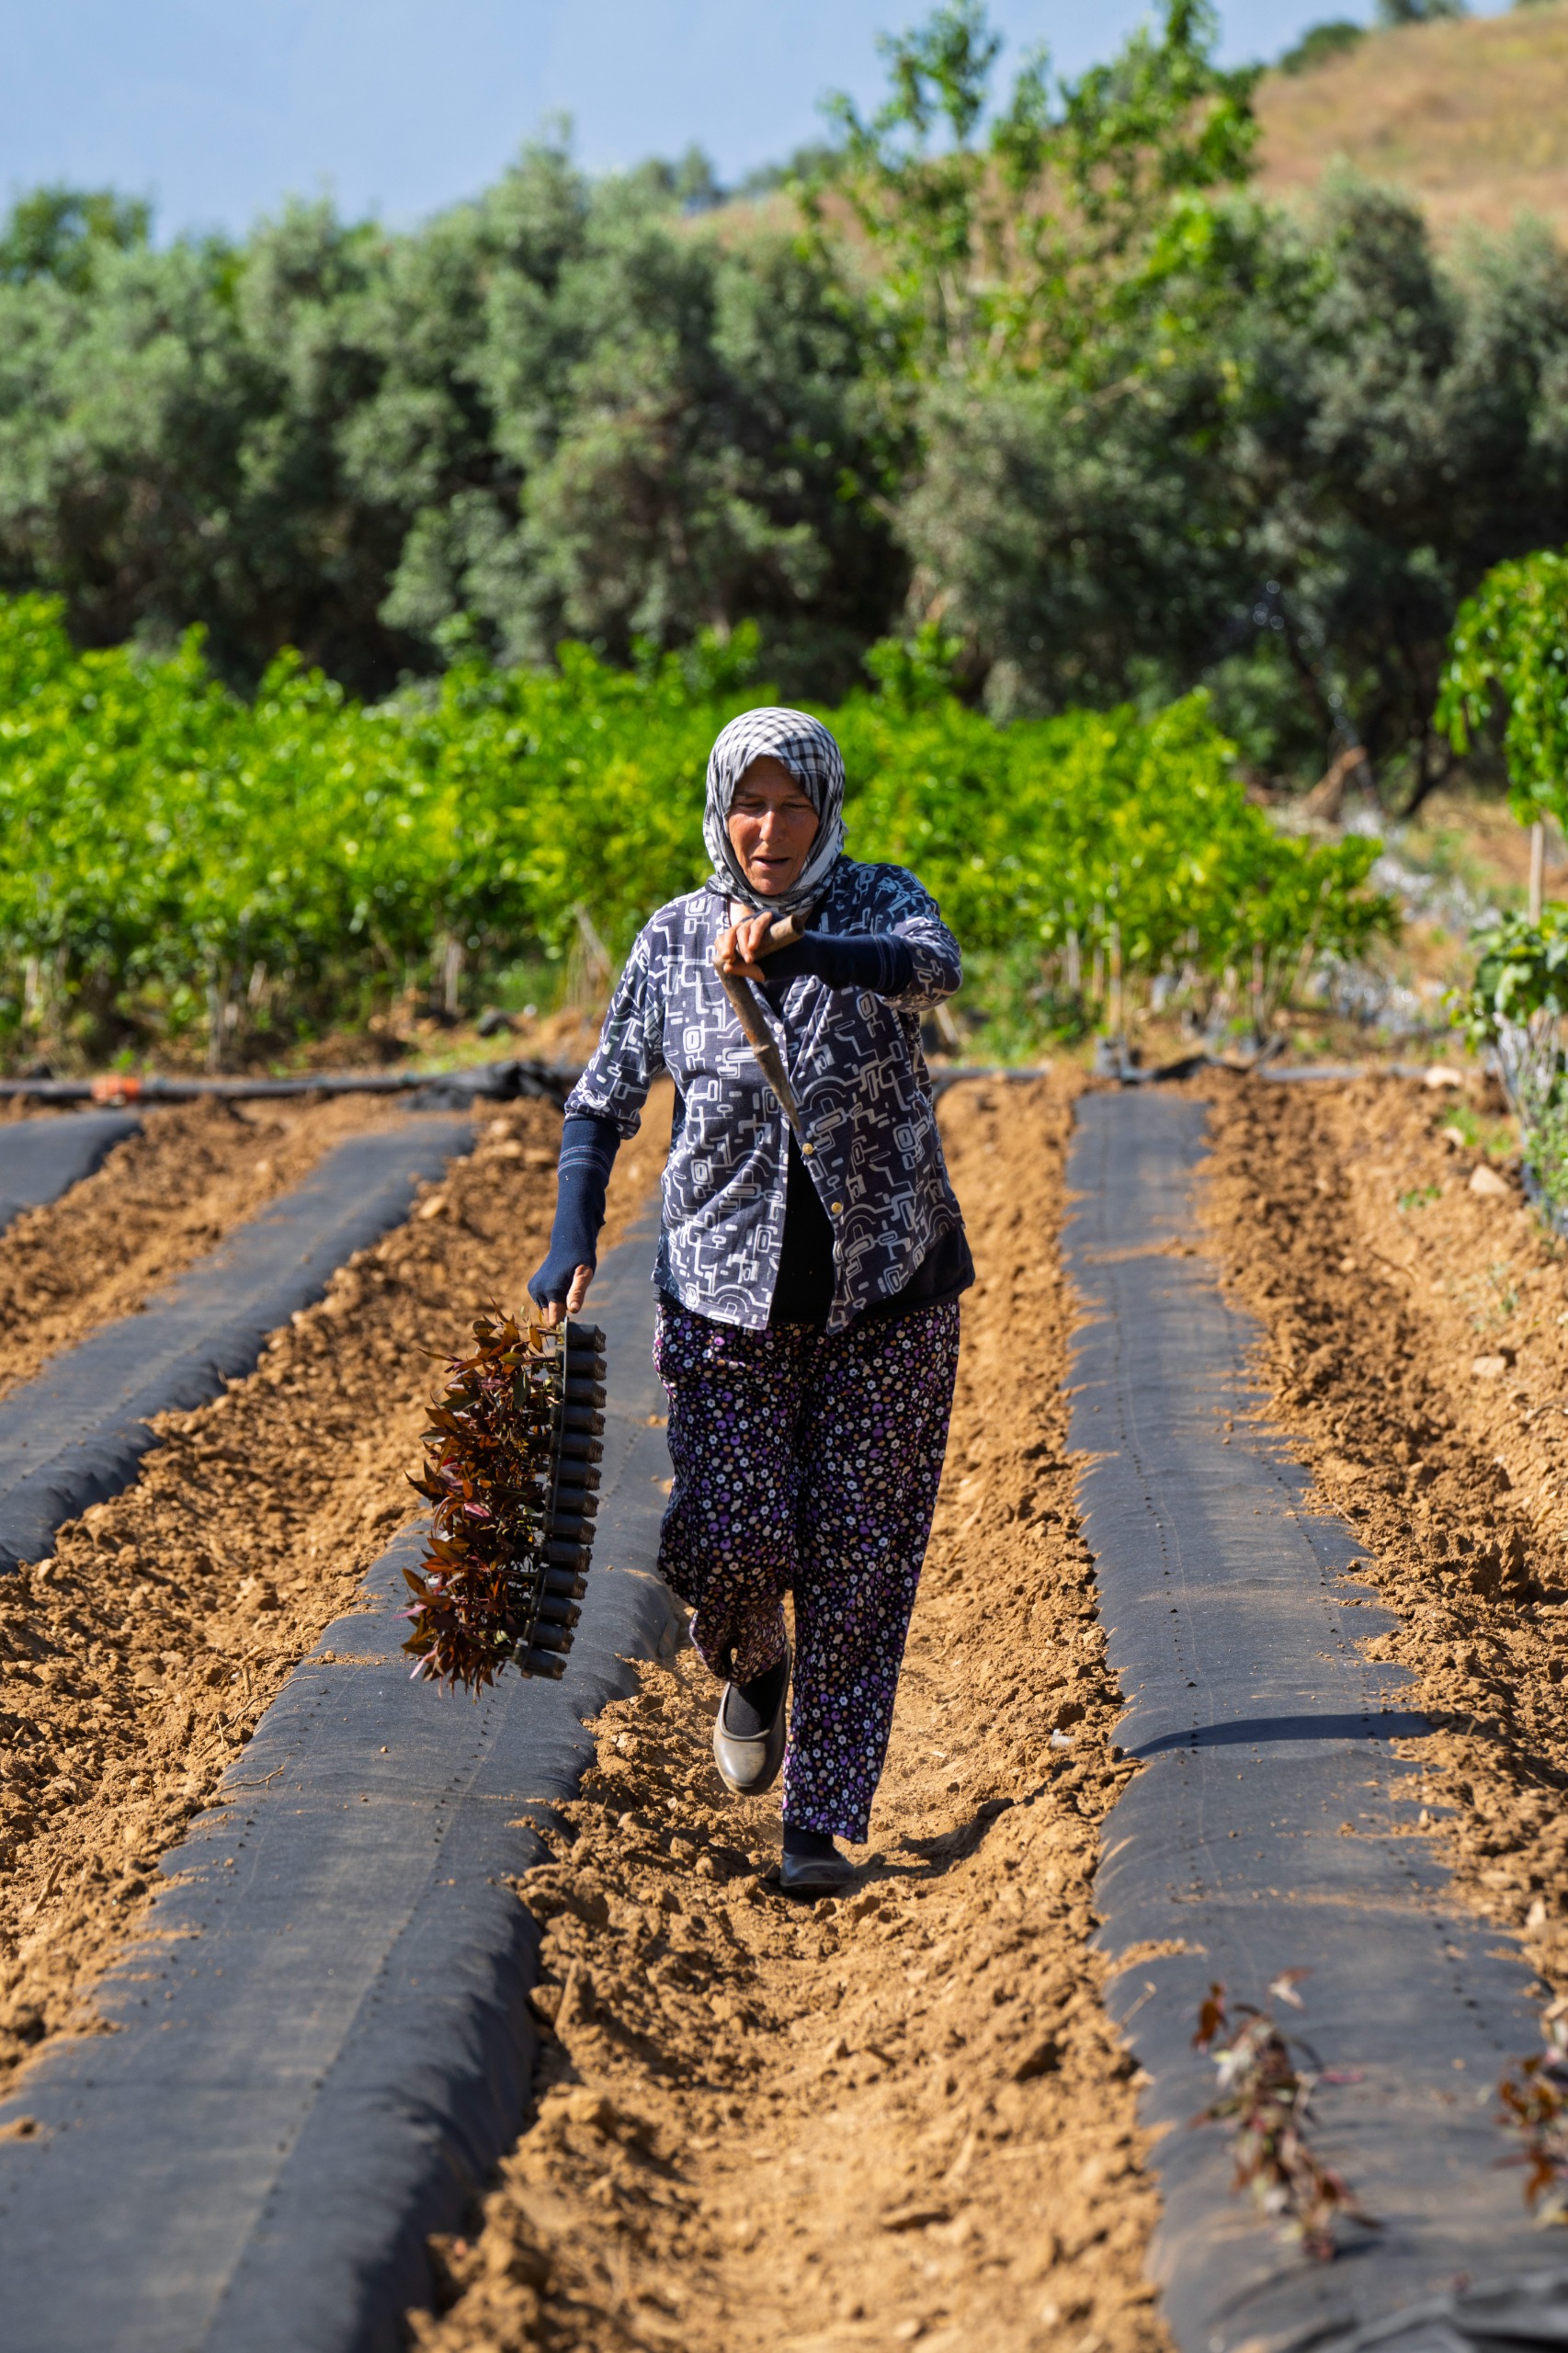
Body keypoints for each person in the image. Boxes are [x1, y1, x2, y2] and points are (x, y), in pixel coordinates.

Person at [529, 706, 971, 1893]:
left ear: (826, 814)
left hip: (888, 1299)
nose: (769, 830)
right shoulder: (675, 938)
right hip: (723, 1304)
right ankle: (753, 1660)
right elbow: (601, 1099)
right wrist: (572, 1232)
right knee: (728, 1540)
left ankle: (816, 1823)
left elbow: (933, 970)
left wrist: (805, 952)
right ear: (720, 814)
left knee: (858, 1566)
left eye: (792, 806)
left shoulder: (880, 906)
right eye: (749, 805)